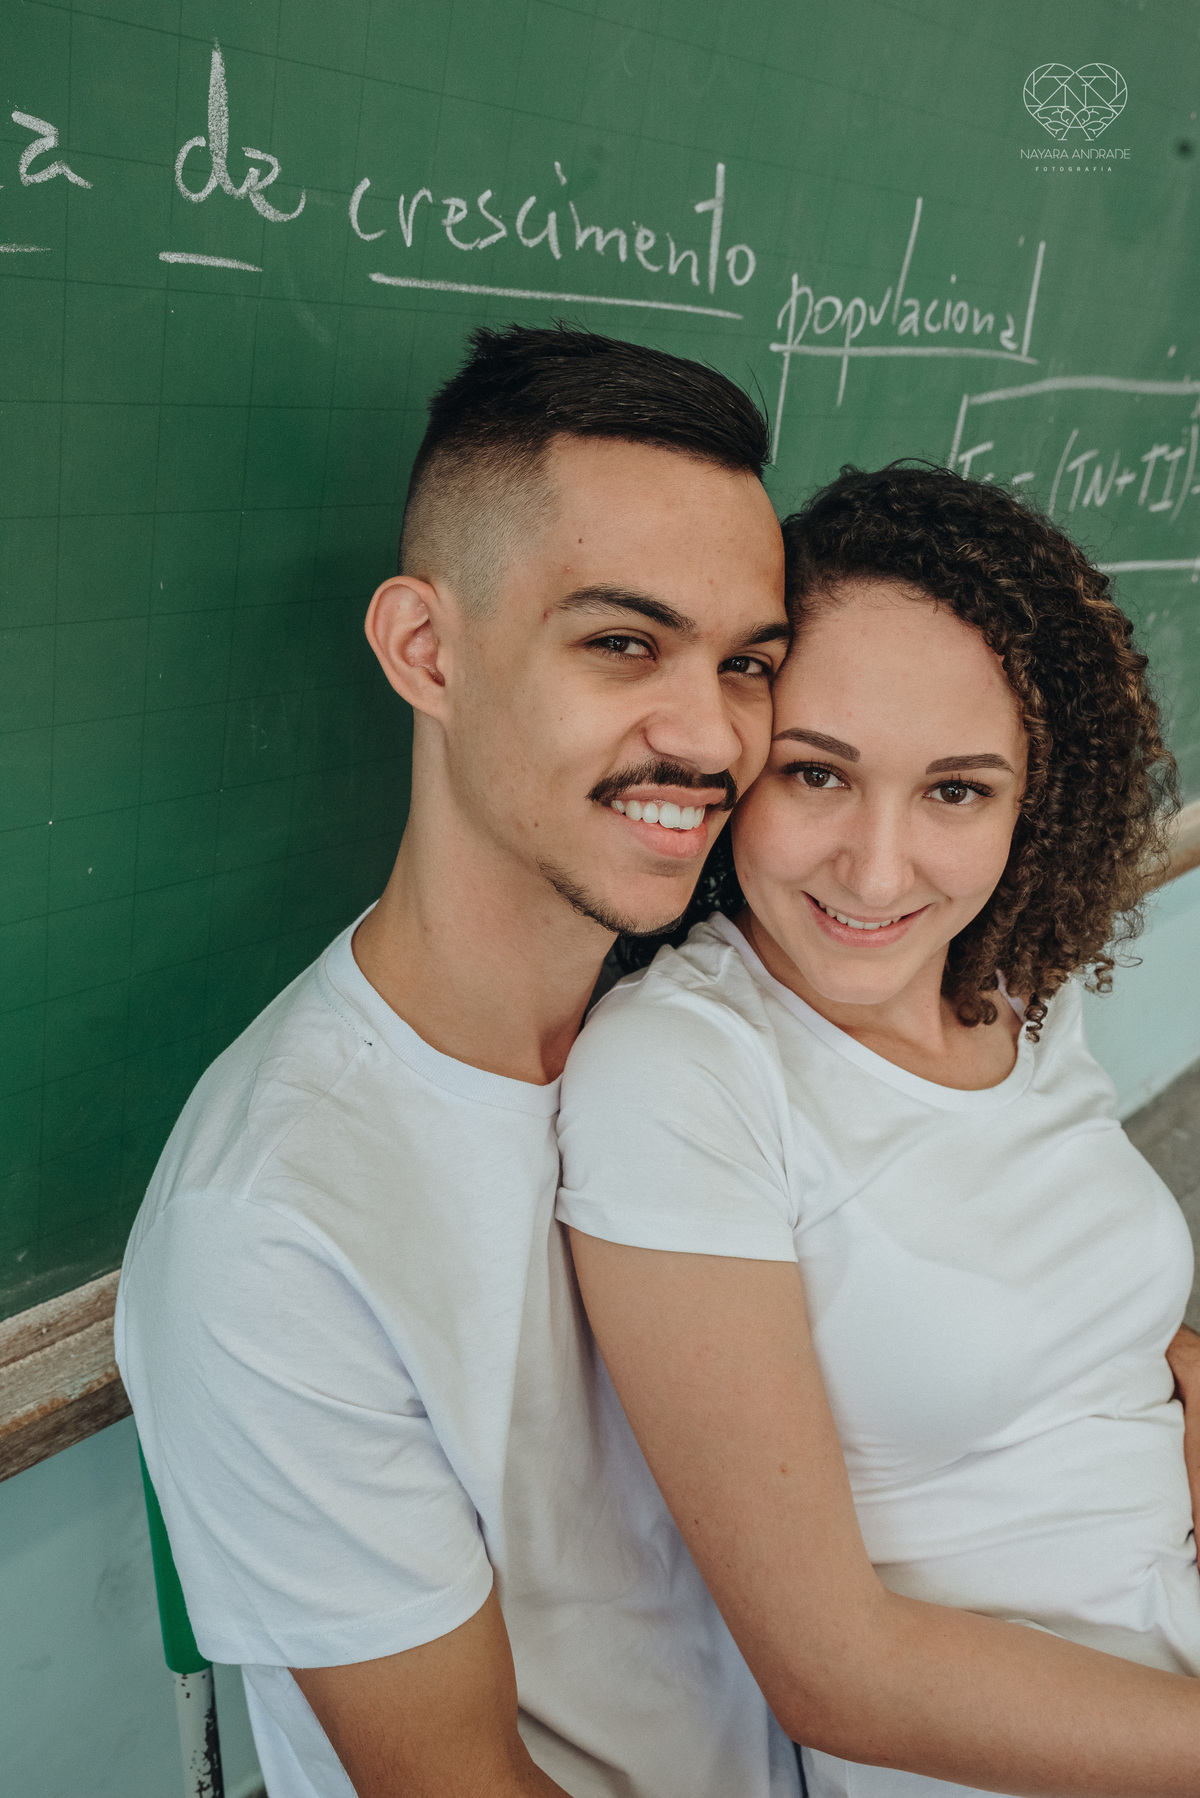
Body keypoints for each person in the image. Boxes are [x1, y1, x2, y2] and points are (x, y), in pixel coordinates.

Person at [115, 324, 801, 1798]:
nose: (708, 732)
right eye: (623, 641)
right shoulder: (276, 1219)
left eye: (748, 662)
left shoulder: (725, 1009)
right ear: (428, 650)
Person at [557, 463, 1200, 1798]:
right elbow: (835, 1673)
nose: (879, 868)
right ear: (734, 760)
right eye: (818, 773)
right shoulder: (683, 1074)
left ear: (1036, 799)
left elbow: (1110, 1330)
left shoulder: (1019, 983)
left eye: (955, 790)